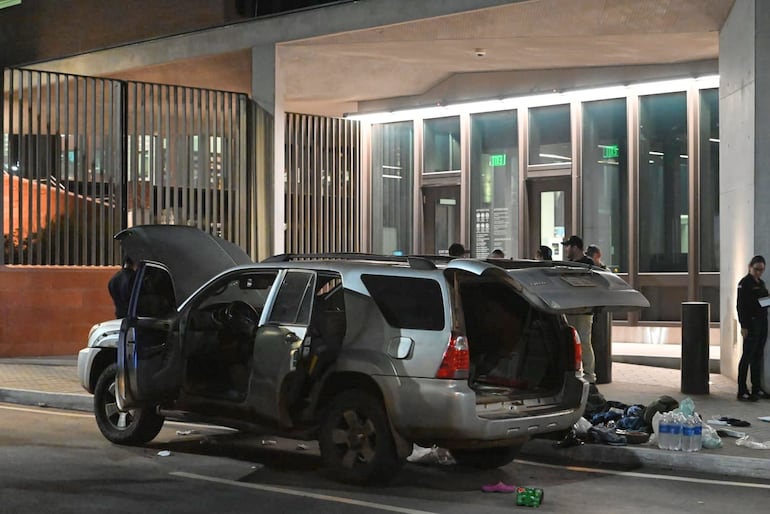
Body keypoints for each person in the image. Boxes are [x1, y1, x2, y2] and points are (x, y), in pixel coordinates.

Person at [561, 235, 597, 388]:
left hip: (583, 310)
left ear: (575, 247)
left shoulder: (588, 264)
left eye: (567, 246)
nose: (565, 249)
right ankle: (572, 372)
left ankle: (589, 374)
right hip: (570, 309)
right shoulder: (568, 264)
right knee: (571, 342)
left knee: (584, 341)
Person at [736, 255, 770, 401]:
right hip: (751, 323)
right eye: (756, 269)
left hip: (762, 322)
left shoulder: (761, 283)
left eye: (761, 270)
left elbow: (765, 302)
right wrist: (743, 325)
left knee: (758, 355)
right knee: (747, 356)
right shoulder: (744, 284)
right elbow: (741, 306)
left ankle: (757, 388)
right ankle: (742, 390)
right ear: (750, 267)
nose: (759, 272)